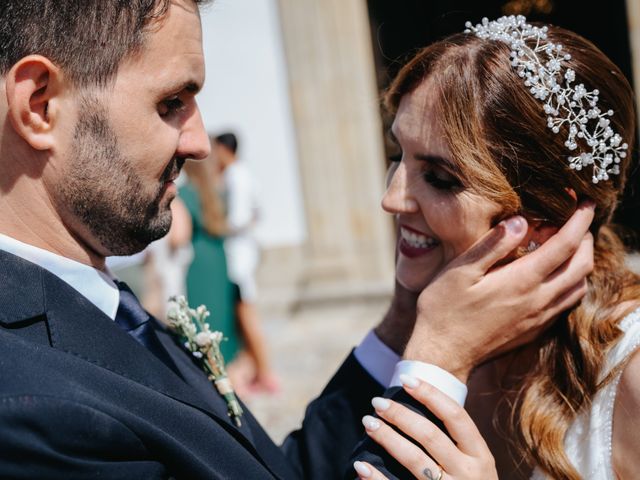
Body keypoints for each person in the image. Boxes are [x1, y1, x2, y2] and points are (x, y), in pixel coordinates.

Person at [0, 2, 595, 478]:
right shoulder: (29, 411)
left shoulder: (98, 307)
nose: (200, 142)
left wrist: (403, 323)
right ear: (40, 105)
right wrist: (437, 357)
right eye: (172, 103)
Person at [351, 16, 640, 480]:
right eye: (396, 156)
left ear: (546, 219)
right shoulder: (436, 339)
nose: (391, 198)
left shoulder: (629, 370)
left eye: (440, 179)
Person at [213, 132, 280, 394]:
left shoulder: (236, 176)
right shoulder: (241, 174)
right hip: (242, 253)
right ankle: (256, 368)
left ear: (223, 150)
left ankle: (265, 373)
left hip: (238, 257)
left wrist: (214, 224)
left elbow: (240, 218)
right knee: (242, 314)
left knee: (246, 313)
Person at [180, 151, 241, 363]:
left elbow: (178, 236)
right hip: (218, 258)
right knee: (221, 315)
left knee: (203, 315)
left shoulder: (185, 194)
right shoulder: (217, 194)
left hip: (198, 264)